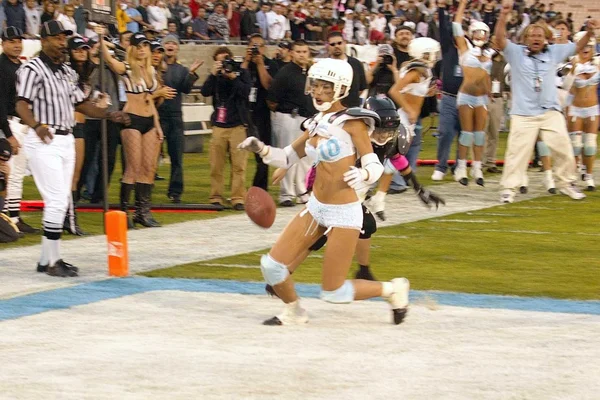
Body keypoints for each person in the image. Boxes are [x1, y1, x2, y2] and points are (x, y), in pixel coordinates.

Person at [238, 58, 410, 326]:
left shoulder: (353, 122)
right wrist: (260, 149)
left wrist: (363, 173)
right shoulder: (317, 122)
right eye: (316, 85)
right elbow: (285, 157)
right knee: (272, 267)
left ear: (341, 88)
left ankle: (392, 290)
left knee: (334, 292)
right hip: (316, 207)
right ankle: (294, 310)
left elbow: (374, 165)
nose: (318, 91)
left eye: (325, 86)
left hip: (344, 213)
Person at [15, 20, 130, 277]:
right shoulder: (32, 68)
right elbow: (21, 103)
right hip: (45, 137)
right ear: (43, 40)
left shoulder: (67, 71)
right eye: (56, 38)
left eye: (63, 38)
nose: (61, 42)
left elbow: (81, 104)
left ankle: (46, 259)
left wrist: (109, 114)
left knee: (61, 198)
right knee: (57, 201)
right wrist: (36, 125)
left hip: (66, 138)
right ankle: (54, 260)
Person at [494, 0, 596, 203]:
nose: (536, 38)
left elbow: (578, 47)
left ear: (546, 39)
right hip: (523, 113)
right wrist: (503, 15)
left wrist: (590, 33)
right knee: (517, 153)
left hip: (550, 111)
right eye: (532, 36)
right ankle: (509, 189)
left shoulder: (554, 52)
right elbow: (499, 38)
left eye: (540, 36)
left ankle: (567, 183)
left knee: (564, 148)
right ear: (525, 39)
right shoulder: (515, 53)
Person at [368, 37, 442, 219]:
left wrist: (426, 92)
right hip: (401, 117)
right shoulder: (417, 71)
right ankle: (375, 196)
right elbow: (394, 90)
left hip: (405, 119)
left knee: (393, 160)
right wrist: (409, 109)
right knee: (390, 158)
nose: (433, 56)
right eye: (431, 53)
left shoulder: (418, 69)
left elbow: (409, 90)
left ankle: (379, 197)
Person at [100, 31, 164, 227]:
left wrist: (158, 124)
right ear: (133, 49)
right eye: (139, 46)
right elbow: (110, 61)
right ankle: (123, 213)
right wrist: (101, 40)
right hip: (132, 120)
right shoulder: (127, 67)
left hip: (149, 120)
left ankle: (142, 212)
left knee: (148, 168)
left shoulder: (151, 70)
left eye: (145, 46)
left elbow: (150, 100)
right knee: (133, 168)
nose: (143, 49)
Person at [200, 47, 251, 210]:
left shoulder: (242, 73)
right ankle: (216, 196)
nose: (225, 64)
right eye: (221, 61)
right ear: (215, 61)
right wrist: (213, 74)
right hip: (219, 126)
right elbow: (205, 92)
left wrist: (233, 77)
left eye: (227, 59)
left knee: (239, 165)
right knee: (216, 164)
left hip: (238, 126)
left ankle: (238, 198)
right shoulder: (215, 77)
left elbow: (245, 93)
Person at [267, 39, 315, 207]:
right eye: (298, 51)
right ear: (292, 53)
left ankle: (302, 191)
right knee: (288, 156)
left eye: (304, 51)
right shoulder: (285, 72)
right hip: (289, 117)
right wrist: (283, 114)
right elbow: (272, 99)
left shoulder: (310, 71)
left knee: (306, 157)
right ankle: (286, 194)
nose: (302, 54)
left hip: (307, 119)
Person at [0, 27, 38, 234]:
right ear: (3, 42)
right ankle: (6, 219)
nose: (16, 44)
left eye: (19, 41)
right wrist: (8, 134)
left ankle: (14, 217)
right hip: (9, 124)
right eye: (12, 41)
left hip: (22, 123)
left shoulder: (21, 66)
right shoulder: (1, 66)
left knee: (16, 176)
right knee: (8, 174)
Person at [452, 0, 493, 186]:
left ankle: (477, 167)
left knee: (479, 135)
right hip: (466, 95)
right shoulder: (465, 49)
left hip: (482, 97)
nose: (480, 35)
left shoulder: (490, 53)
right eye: (477, 32)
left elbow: (487, 75)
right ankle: (461, 167)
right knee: (467, 133)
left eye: (483, 33)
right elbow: (456, 25)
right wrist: (462, 5)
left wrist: (491, 90)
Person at [158, 34, 201, 203]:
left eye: (173, 43)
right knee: (151, 155)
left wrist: (191, 73)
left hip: (175, 117)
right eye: (167, 42)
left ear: (177, 48)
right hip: (158, 116)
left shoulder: (182, 70)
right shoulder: (156, 67)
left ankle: (175, 191)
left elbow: (186, 89)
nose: (170, 46)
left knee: (177, 157)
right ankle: (144, 186)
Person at [241, 33, 278, 191]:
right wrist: (247, 61)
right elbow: (238, 82)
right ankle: (238, 192)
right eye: (253, 46)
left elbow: (269, 85)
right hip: (243, 112)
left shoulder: (271, 64)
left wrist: (260, 64)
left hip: (261, 114)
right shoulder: (243, 64)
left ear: (264, 48)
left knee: (262, 153)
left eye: (259, 46)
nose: (256, 49)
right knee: (238, 157)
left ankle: (259, 188)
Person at [432, 2, 463, 181]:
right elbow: (443, 29)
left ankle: (459, 166)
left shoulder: (471, 51)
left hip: (466, 98)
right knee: (445, 132)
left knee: (463, 134)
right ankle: (440, 166)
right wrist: (442, 9)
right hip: (449, 97)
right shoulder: (448, 48)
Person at [65, 36, 93, 236]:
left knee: (76, 174)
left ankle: (68, 216)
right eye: (78, 49)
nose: (82, 52)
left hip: (81, 126)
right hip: (70, 125)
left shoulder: (86, 73)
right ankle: (68, 218)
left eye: (84, 49)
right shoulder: (67, 72)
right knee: (69, 176)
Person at [565, 31, 598, 191]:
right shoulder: (572, 63)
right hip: (575, 108)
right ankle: (574, 174)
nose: (586, 48)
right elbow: (565, 87)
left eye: (589, 46)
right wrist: (572, 71)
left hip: (593, 108)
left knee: (590, 144)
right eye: (583, 45)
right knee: (576, 145)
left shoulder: (598, 62)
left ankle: (589, 176)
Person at [326, 31, 367, 108]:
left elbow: (361, 88)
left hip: (353, 109)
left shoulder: (356, 64)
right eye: (332, 44)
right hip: (331, 109)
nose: (336, 46)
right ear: (328, 46)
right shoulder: (324, 65)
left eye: (339, 43)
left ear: (344, 43)